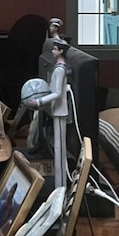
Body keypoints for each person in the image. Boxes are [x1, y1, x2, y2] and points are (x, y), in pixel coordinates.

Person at [23, 38, 70, 188]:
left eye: (55, 49)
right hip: (56, 110)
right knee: (57, 149)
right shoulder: (58, 67)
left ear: (61, 51)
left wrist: (38, 102)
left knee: (59, 150)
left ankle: (60, 187)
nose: (53, 51)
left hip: (59, 111)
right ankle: (59, 186)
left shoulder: (60, 70)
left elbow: (57, 93)